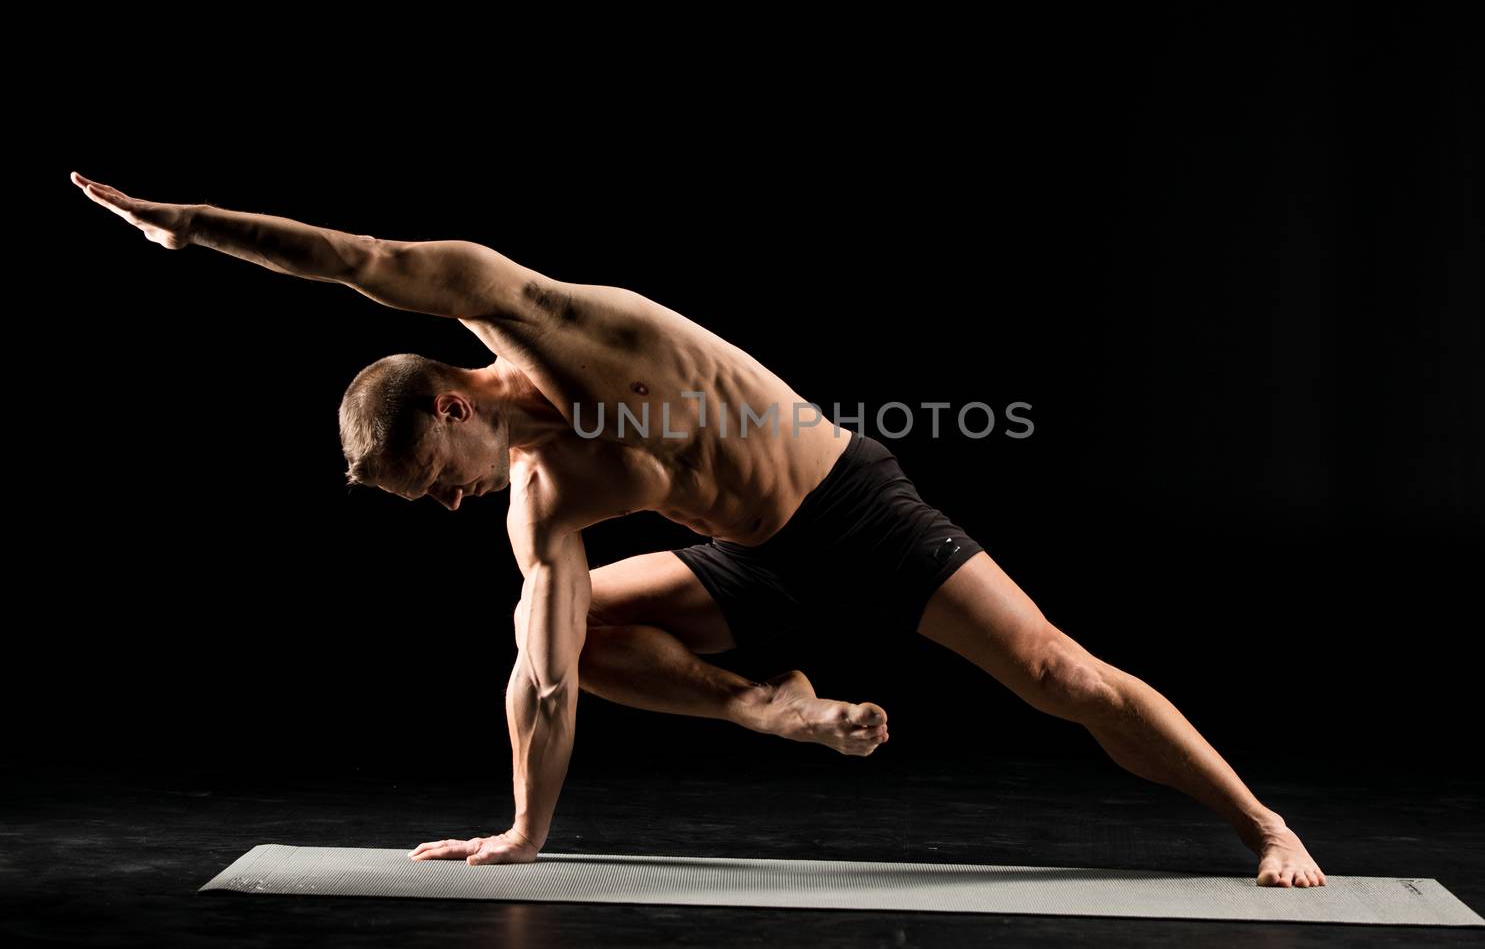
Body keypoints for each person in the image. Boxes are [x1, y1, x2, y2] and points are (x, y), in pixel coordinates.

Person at [71, 172, 1326, 887]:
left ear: (450, 403)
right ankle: (759, 703)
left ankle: (1261, 822)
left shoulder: (553, 324)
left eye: (437, 480)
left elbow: (362, 255)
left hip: (846, 509)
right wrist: (526, 830)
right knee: (555, 635)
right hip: (745, 560)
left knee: (1059, 671)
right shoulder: (543, 498)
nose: (450, 504)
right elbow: (551, 684)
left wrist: (199, 228)